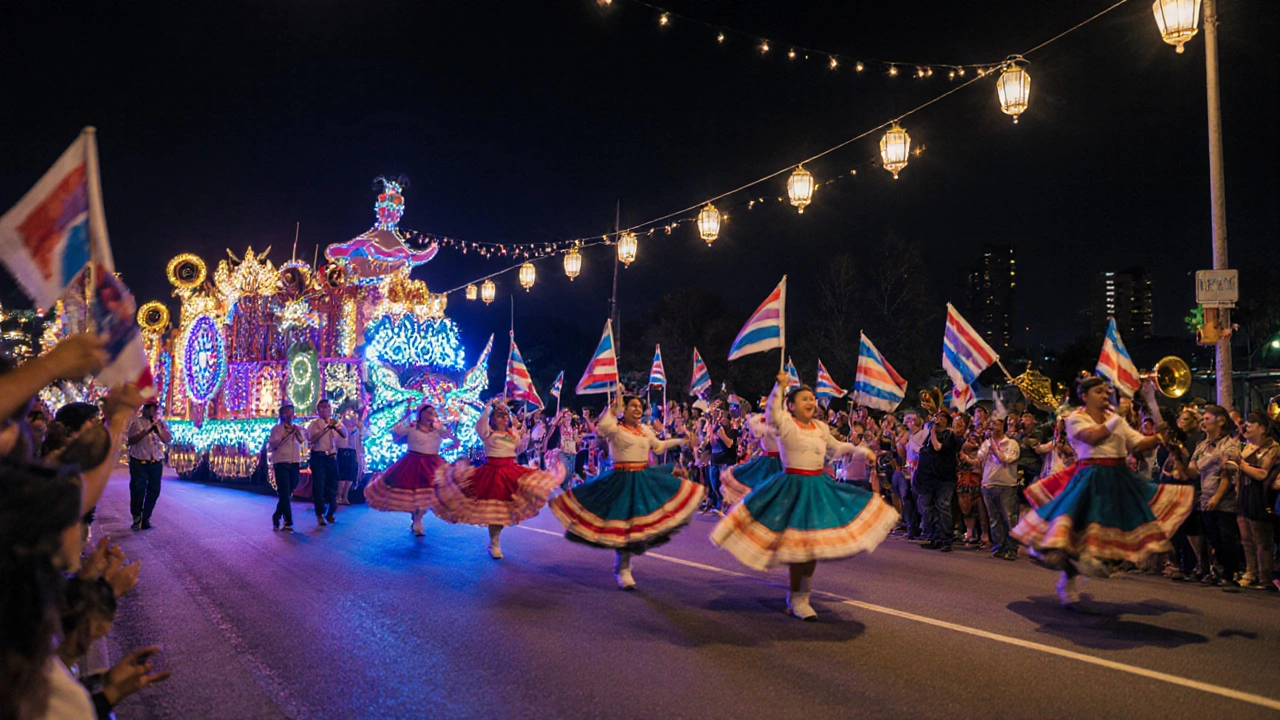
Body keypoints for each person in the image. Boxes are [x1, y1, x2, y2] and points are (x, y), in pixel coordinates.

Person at [712, 375, 898, 620]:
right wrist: (779, 386)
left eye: (812, 398)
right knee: (798, 547)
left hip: (818, 487)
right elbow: (772, 413)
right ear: (791, 405)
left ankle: (800, 596)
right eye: (804, 399)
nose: (811, 402)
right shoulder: (786, 424)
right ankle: (798, 598)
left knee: (811, 548)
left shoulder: (821, 428)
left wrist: (859, 450)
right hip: (792, 487)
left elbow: (835, 448)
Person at [1010, 376, 1194, 606]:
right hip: (1090, 477)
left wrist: (1158, 431)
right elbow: (1094, 437)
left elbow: (1138, 443)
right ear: (1085, 396)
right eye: (1099, 391)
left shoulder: (1115, 420)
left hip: (1119, 478)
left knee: (1105, 534)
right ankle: (1069, 579)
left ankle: (1088, 569)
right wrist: (1117, 417)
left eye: (1106, 391)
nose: (1105, 395)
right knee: (1076, 533)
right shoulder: (1076, 418)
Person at [550, 394, 699, 589]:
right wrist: (612, 408)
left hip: (641, 479)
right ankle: (623, 567)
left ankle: (624, 565)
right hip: (619, 480)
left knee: (636, 524)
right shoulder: (615, 428)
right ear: (624, 409)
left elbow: (659, 447)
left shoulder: (644, 430)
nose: (638, 410)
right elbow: (601, 429)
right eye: (633, 406)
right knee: (623, 524)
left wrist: (682, 441)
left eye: (639, 406)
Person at [435, 398, 560, 558]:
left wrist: (508, 410)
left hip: (511, 471)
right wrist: (488, 408)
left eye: (505, 416)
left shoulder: (512, 433)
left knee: (507, 509)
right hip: (492, 474)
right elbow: (480, 425)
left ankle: (495, 540)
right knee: (494, 511)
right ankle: (494, 542)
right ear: (493, 418)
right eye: (500, 416)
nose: (504, 418)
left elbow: (518, 431)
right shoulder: (487, 433)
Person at [1176, 405, 1243, 585]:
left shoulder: (1230, 444)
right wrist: (1180, 458)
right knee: (1213, 538)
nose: (1203, 422)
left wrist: (1217, 498)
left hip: (1224, 501)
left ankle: (1230, 573)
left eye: (1207, 418)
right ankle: (1218, 571)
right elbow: (1193, 472)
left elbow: (1227, 474)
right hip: (1206, 499)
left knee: (1226, 537)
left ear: (1220, 420)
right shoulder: (1201, 446)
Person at [364, 404, 455, 536]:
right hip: (413, 462)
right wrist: (405, 415)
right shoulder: (412, 428)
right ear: (421, 414)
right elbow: (396, 430)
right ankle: (417, 519)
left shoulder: (438, 429)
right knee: (415, 494)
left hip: (433, 463)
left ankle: (418, 517)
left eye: (433, 412)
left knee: (428, 493)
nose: (431, 413)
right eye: (428, 411)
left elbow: (452, 439)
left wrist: (442, 428)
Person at [1234, 412, 1278, 591]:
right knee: (1246, 538)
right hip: (1245, 493)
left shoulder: (1272, 448)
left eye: (1251, 424)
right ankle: (1250, 572)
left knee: (1261, 538)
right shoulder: (1247, 446)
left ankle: (1264, 576)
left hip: (1259, 495)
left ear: (1262, 428)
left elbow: (1262, 473)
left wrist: (1242, 465)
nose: (1247, 427)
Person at [915, 407, 962, 552]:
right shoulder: (929, 435)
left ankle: (946, 539)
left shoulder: (950, 436)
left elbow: (937, 448)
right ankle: (933, 537)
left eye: (942, 417)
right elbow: (920, 447)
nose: (938, 419)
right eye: (937, 417)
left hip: (945, 479)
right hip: (928, 479)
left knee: (943, 506)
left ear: (947, 421)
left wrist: (933, 431)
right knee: (927, 507)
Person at [978, 416, 1021, 560]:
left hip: (1006, 485)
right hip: (989, 484)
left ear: (1002, 426)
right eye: (991, 425)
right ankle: (999, 547)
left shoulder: (1011, 443)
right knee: (994, 518)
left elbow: (1005, 459)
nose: (993, 427)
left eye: (996, 425)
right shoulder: (986, 443)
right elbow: (979, 459)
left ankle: (1012, 548)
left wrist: (994, 448)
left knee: (1009, 518)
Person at [719, 410, 782, 506]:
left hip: (781, 462)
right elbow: (754, 437)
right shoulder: (763, 422)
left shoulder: (787, 422)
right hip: (767, 463)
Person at [126, 400, 171, 530]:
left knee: (154, 491)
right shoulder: (136, 422)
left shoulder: (161, 423)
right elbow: (131, 440)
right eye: (149, 407)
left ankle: (146, 518)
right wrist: (146, 431)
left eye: (154, 408)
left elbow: (167, 439)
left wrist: (158, 431)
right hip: (139, 461)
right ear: (145, 409)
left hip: (155, 462)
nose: (152, 410)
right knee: (138, 490)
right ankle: (137, 516)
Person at [307, 398, 347, 526]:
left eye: (327, 407)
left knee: (333, 484)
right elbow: (312, 439)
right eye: (323, 407)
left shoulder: (335, 422)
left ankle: (331, 512)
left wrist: (334, 425)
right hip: (319, 456)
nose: (326, 409)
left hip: (332, 457)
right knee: (319, 485)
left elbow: (345, 434)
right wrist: (325, 427)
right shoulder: (314, 424)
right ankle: (320, 513)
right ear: (318, 410)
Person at [267, 404, 305, 531]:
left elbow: (302, 440)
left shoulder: (296, 428)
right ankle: (288, 520)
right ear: (282, 415)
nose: (290, 415)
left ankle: (277, 515)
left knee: (290, 490)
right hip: (281, 462)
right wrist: (285, 434)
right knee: (284, 491)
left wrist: (296, 432)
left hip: (294, 461)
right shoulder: (276, 429)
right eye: (287, 413)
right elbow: (272, 444)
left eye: (291, 413)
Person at [335, 406, 363, 505]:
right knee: (342, 475)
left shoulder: (356, 429)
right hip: (343, 452)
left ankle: (345, 496)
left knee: (350, 476)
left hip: (352, 452)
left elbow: (358, 443)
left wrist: (360, 456)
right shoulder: (339, 426)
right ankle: (338, 496)